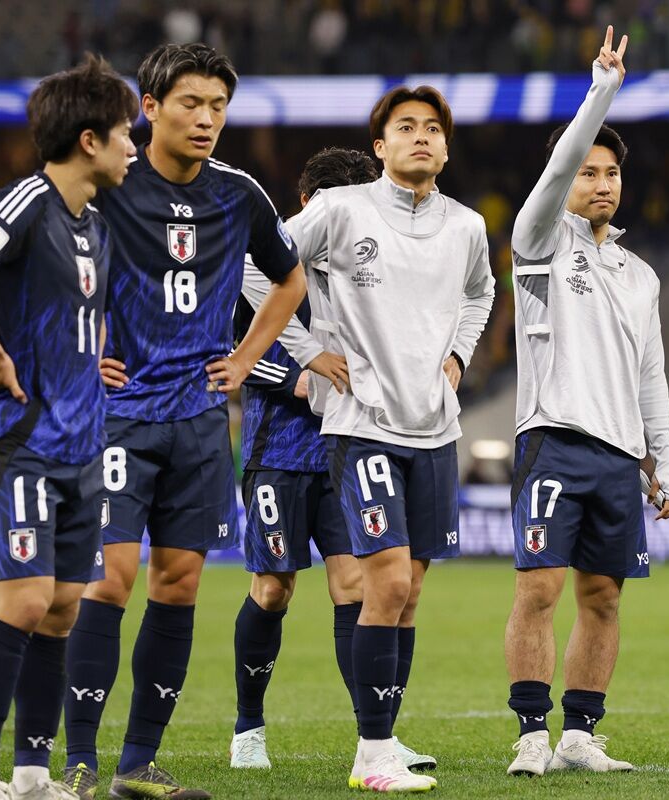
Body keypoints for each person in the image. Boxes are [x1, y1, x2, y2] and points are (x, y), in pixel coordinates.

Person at [60, 43, 314, 800]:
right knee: (110, 579)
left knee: (177, 585)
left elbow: (290, 279)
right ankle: (78, 762)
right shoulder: (108, 183)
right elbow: (45, 268)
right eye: (191, 104)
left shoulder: (239, 193)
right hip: (117, 416)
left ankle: (137, 765)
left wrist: (244, 359)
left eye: (218, 106)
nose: (207, 119)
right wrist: (81, 352)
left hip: (201, 421)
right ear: (150, 108)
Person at [286, 85, 495, 792]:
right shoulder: (341, 209)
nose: (421, 137)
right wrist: (307, 351)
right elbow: (260, 265)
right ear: (379, 147)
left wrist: (459, 355)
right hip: (363, 423)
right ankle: (371, 754)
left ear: (446, 148)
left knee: (410, 593)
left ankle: (386, 740)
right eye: (406, 127)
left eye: (433, 128)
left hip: (434, 427)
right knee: (389, 581)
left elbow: (481, 293)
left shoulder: (466, 225)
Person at [0, 55, 136, 800]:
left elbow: (77, 318)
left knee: (60, 611)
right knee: (23, 603)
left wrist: (93, 363)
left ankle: (29, 773)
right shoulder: (28, 201)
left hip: (83, 445)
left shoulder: (99, 227)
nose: (132, 146)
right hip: (22, 440)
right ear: (89, 140)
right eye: (125, 132)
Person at [502, 26, 669, 777]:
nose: (601, 183)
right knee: (539, 589)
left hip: (617, 455)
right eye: (587, 171)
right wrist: (603, 90)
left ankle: (579, 736)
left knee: (603, 597)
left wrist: (662, 463)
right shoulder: (540, 239)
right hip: (553, 439)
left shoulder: (641, 274)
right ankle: (531, 734)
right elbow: (556, 172)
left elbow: (651, 376)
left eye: (611, 173)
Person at [229, 146, 435, 774]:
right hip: (279, 451)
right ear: (307, 205)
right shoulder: (268, 265)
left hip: (350, 449)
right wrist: (291, 375)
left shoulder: (370, 269)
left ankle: (377, 737)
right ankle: (248, 728)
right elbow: (224, 350)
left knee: (356, 586)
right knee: (273, 589)